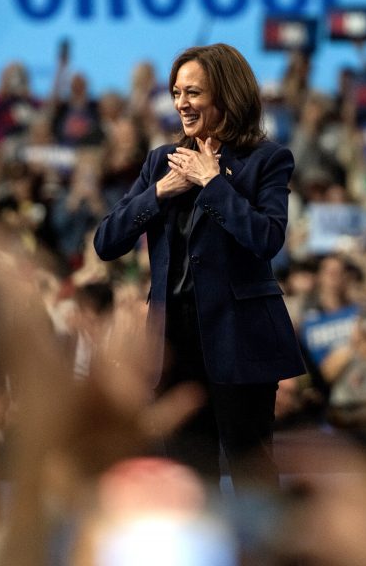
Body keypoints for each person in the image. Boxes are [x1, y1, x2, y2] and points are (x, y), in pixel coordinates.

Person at [93, 43, 306, 489]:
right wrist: (159, 193)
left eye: (193, 92)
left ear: (225, 95)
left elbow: (266, 239)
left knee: (252, 472)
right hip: (175, 344)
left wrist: (212, 182)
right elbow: (107, 242)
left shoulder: (266, 160)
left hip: (239, 338)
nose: (181, 104)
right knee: (189, 478)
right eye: (176, 92)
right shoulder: (160, 163)